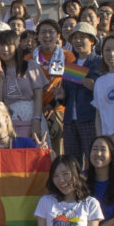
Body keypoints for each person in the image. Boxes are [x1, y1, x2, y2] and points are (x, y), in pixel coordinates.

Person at [34, 155, 103, 226]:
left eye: (66, 174)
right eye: (55, 176)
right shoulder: (45, 201)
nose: (61, 180)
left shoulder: (91, 203)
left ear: (76, 174)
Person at [27, 19, 74, 155]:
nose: (47, 36)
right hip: (36, 112)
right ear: (38, 36)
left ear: (58, 36)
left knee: (58, 153)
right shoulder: (29, 58)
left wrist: (54, 106)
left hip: (59, 110)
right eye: (43, 32)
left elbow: (73, 85)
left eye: (51, 32)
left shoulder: (68, 56)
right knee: (39, 151)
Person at [61, 21, 102, 167]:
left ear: (91, 40)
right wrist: (61, 95)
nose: (78, 41)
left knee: (93, 160)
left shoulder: (99, 62)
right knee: (72, 162)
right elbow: (67, 94)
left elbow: (104, 90)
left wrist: (95, 86)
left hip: (89, 118)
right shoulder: (71, 64)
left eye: (82, 37)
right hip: (70, 121)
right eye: (75, 38)